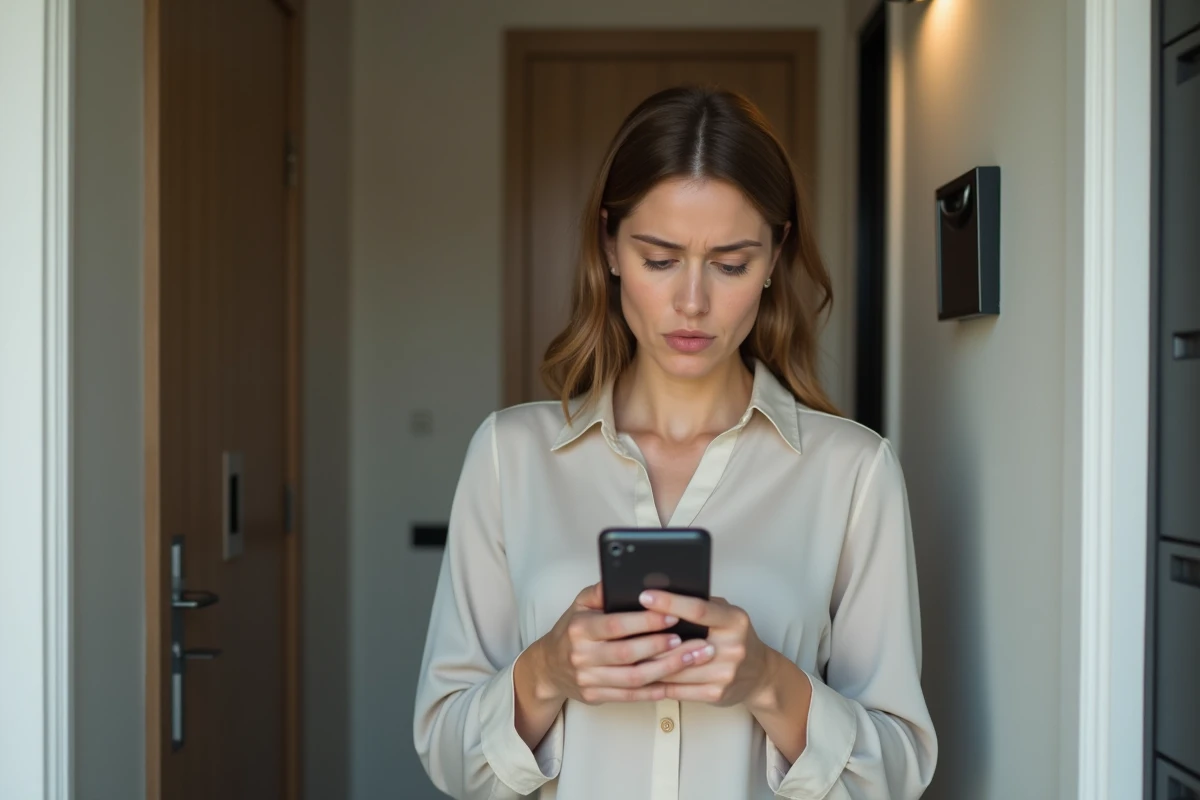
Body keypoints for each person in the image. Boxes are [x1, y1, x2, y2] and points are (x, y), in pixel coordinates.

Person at [413, 86, 937, 800]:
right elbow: (447, 754)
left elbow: (899, 770)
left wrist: (766, 680)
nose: (693, 303)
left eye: (730, 263)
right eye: (661, 259)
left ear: (776, 255)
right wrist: (548, 673)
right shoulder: (510, 456)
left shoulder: (853, 472)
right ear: (610, 246)